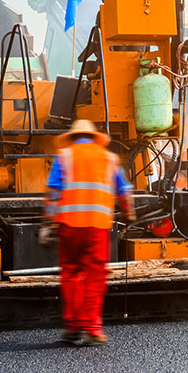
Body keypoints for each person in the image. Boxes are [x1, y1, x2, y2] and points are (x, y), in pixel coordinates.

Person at [40, 119, 135, 347]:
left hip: (69, 225)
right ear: (94, 138)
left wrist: (47, 223)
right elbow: (124, 190)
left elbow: (54, 193)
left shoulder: (64, 156)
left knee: (71, 274)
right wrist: (129, 212)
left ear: (73, 137)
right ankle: (92, 329)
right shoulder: (108, 158)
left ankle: (72, 327)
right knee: (94, 276)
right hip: (97, 227)